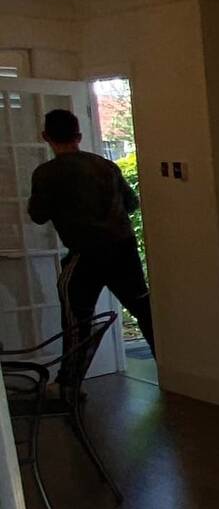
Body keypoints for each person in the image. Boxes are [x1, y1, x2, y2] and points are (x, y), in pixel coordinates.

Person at [27, 108, 156, 362]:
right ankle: (168, 366)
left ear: (45, 136)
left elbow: (38, 215)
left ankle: (69, 384)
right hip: (123, 248)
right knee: (145, 310)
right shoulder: (105, 166)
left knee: (77, 320)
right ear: (80, 135)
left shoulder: (46, 173)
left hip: (86, 253)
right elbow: (131, 204)